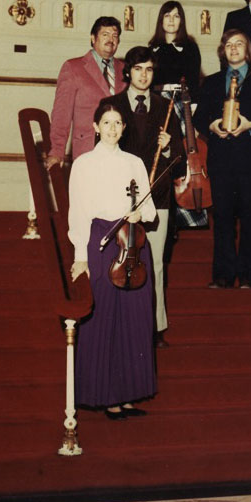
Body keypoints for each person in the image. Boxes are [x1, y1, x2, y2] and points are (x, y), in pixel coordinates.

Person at [68, 102, 157, 420]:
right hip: (101, 242)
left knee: (134, 317)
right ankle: (103, 396)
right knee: (104, 317)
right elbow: (78, 212)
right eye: (106, 122)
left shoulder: (134, 163)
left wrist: (138, 213)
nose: (112, 128)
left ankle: (129, 395)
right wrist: (81, 257)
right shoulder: (83, 164)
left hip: (133, 242)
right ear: (95, 127)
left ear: (124, 127)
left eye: (118, 122)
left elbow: (150, 209)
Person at [102, 46, 187, 349]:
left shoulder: (166, 107)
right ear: (128, 72)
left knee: (155, 263)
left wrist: (167, 147)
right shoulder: (110, 104)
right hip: (117, 195)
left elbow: (181, 155)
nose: (144, 75)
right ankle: (119, 322)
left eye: (149, 69)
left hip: (156, 197)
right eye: (138, 69)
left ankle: (155, 326)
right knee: (118, 260)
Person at [193, 29, 251, 288]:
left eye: (239, 44)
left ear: (248, 50)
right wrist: (212, 125)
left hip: (250, 159)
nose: (233, 48)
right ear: (222, 50)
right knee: (223, 217)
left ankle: (249, 276)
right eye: (228, 44)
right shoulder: (211, 82)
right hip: (220, 159)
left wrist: (250, 125)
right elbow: (198, 118)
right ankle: (223, 275)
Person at [149, 0, 205, 228]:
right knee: (160, 154)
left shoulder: (190, 47)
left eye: (176, 16)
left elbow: (194, 82)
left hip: (183, 105)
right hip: (160, 104)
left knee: (183, 154)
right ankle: (160, 212)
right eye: (167, 16)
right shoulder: (152, 48)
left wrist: (192, 111)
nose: (171, 20)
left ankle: (187, 212)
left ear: (182, 20)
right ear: (161, 20)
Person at [46, 17, 125, 169]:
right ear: (93, 38)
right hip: (87, 151)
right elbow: (61, 114)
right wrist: (57, 150)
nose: (111, 39)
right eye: (105, 34)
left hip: (120, 152)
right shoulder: (73, 68)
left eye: (115, 36)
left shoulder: (125, 70)